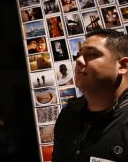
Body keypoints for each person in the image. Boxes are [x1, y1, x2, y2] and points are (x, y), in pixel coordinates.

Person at [52, 29, 128, 161]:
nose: (79, 60)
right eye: (78, 55)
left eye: (92, 54)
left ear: (122, 65)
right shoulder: (67, 116)